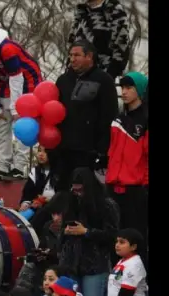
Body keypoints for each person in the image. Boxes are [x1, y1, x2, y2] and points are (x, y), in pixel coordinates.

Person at [48, 167, 119, 296]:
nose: (77, 193)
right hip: (71, 264)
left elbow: (112, 235)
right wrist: (64, 232)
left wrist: (86, 232)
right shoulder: (71, 204)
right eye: (74, 189)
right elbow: (61, 236)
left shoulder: (106, 204)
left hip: (95, 264)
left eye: (80, 190)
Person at [0, 17, 42, 181]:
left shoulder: (7, 49)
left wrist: (17, 108)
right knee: (0, 122)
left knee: (22, 126)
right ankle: (3, 166)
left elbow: (17, 78)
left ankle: (19, 166)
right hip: (5, 82)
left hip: (27, 83)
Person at [54, 40, 118, 190]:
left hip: (89, 152)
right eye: (70, 55)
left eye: (77, 55)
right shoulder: (63, 80)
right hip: (64, 150)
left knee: (86, 194)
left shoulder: (104, 80)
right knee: (62, 193)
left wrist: (102, 151)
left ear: (89, 56)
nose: (72, 59)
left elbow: (109, 116)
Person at [106, 72, 148, 257]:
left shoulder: (145, 119)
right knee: (115, 238)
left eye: (129, 88)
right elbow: (113, 151)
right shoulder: (118, 119)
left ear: (139, 90)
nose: (124, 92)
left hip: (137, 188)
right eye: (122, 88)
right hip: (114, 186)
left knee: (136, 240)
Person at [67, 0, 131, 78]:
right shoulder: (81, 11)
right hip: (76, 76)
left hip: (102, 75)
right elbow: (71, 43)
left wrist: (109, 75)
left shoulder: (114, 10)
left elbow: (122, 47)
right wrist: (68, 71)